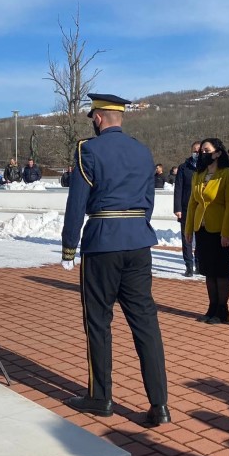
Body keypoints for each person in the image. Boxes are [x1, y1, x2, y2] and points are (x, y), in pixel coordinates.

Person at [60, 93, 170, 428]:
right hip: (138, 241)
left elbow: (77, 201)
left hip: (104, 242)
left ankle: (101, 396)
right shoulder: (142, 151)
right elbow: (148, 200)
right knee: (146, 324)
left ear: (98, 118)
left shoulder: (88, 150)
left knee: (98, 322)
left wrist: (69, 245)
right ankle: (159, 403)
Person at [185, 139, 229, 324]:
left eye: (207, 150)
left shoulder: (228, 174)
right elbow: (193, 203)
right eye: (201, 151)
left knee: (221, 270)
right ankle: (212, 305)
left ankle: (222, 309)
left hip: (220, 229)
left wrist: (227, 233)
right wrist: (189, 228)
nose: (203, 154)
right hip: (202, 228)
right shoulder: (198, 174)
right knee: (208, 270)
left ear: (217, 153)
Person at [174, 141, 200, 276]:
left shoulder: (207, 167)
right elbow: (178, 189)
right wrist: (177, 208)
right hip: (185, 208)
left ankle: (199, 264)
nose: (197, 153)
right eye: (194, 151)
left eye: (199, 151)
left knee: (201, 238)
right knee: (187, 238)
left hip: (201, 208)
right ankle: (189, 266)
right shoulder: (184, 168)